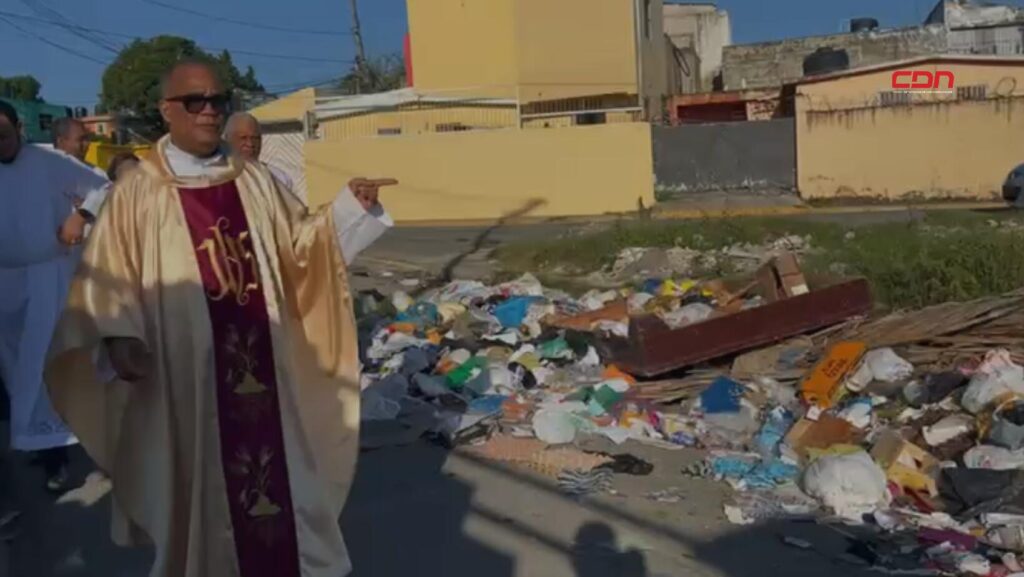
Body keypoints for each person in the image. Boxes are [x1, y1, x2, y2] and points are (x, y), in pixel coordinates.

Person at [46, 60, 397, 577]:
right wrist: (119, 337)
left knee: (274, 482)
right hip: (182, 376)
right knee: (197, 485)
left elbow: (301, 250)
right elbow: (108, 274)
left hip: (263, 374)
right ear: (167, 111)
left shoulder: (255, 181)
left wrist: (347, 210)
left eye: (218, 99)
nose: (209, 110)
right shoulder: (138, 192)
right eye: (195, 101)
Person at [0, 101, 107, 492]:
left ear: (20, 130)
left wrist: (80, 217)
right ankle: (42, 447)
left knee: (53, 363)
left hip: (47, 277)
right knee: (18, 372)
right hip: (4, 286)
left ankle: (72, 452)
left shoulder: (48, 162)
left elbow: (101, 187)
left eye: (4, 135)